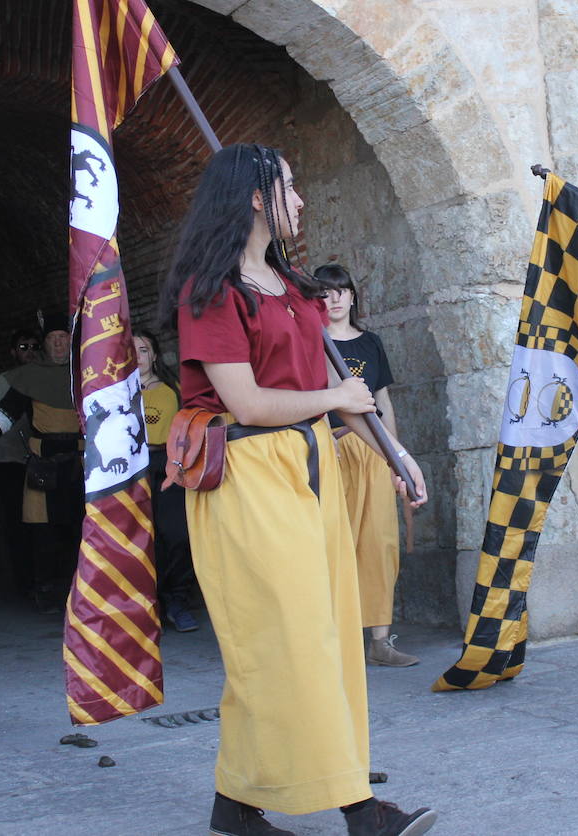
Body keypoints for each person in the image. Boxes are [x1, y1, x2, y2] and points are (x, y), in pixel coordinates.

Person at [161, 143, 435, 836]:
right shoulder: (211, 293)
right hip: (249, 477)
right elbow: (248, 403)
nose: (302, 199)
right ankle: (360, 810)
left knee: (329, 634)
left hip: (312, 468)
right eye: (289, 186)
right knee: (291, 642)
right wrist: (334, 397)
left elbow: (344, 395)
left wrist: (397, 454)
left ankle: (235, 803)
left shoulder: (293, 288)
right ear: (257, 197)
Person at [314, 263, 416, 668]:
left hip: (374, 452)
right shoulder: (313, 342)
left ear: (352, 296)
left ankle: (379, 641)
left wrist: (395, 458)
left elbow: (382, 402)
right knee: (335, 543)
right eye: (325, 291)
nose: (334, 298)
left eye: (341, 290)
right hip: (334, 449)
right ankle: (334, 643)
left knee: (380, 542)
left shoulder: (371, 342)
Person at [0, 315, 83, 613]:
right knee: (43, 533)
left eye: (63, 337)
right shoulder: (31, 376)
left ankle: (81, 590)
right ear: (45, 343)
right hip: (43, 465)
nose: (58, 343)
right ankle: (46, 590)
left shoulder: (84, 372)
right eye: (52, 338)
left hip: (80, 463)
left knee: (79, 529)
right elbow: (5, 413)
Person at [132, 328, 199, 633]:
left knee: (177, 535)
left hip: (168, 465)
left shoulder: (173, 390)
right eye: (132, 351)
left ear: (155, 355)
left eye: (144, 350)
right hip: (132, 469)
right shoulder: (117, 393)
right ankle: (148, 604)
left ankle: (178, 601)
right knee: (141, 538)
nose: (138, 357)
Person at [0, 327, 40, 596]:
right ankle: (24, 582)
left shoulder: (44, 380)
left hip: (39, 461)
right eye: (23, 347)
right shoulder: (0, 384)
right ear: (13, 352)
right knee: (17, 523)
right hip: (11, 463)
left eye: (34, 347)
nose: (30, 352)